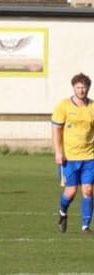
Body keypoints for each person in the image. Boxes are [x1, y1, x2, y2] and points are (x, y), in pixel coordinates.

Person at [52, 72, 94, 234]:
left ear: (88, 88)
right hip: (69, 158)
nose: (81, 90)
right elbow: (56, 129)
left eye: (84, 87)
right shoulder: (64, 106)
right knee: (71, 192)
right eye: (78, 87)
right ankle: (62, 212)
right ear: (73, 88)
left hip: (89, 157)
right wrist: (58, 152)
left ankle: (85, 226)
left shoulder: (92, 107)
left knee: (88, 190)